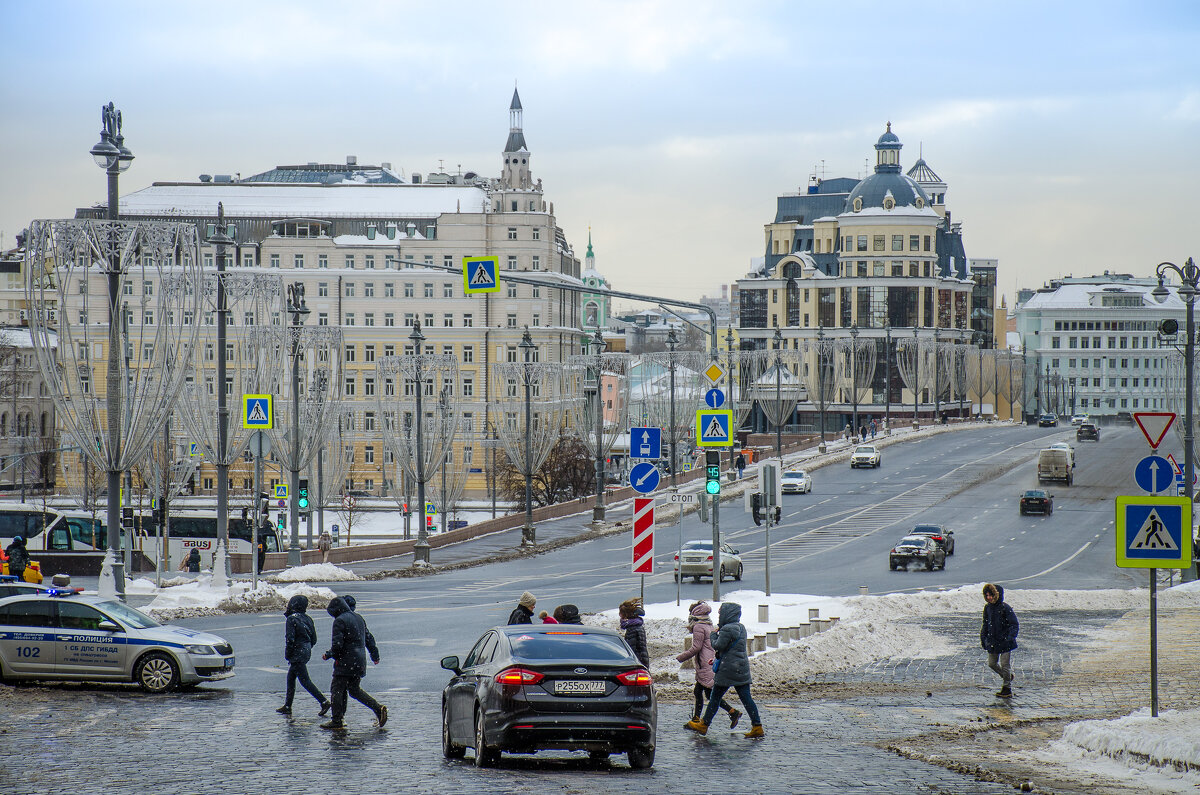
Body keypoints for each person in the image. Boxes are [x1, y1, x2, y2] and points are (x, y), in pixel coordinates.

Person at [686, 601, 764, 738]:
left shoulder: (727, 629)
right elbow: (731, 649)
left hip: (728, 670)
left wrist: (714, 635)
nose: (719, 615)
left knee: (715, 698)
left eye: (721, 613)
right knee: (747, 699)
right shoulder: (741, 627)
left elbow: (718, 645)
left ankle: (704, 725)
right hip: (741, 668)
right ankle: (757, 726)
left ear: (727, 614)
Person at [321, 595, 387, 729]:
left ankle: (337, 720)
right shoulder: (358, 618)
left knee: (337, 690)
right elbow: (369, 639)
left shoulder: (339, 621)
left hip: (345, 662)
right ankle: (378, 708)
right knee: (354, 690)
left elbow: (338, 645)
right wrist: (374, 654)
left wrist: (329, 655)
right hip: (359, 661)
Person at [676, 601, 740, 728]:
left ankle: (730, 712)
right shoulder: (708, 624)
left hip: (705, 664)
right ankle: (698, 718)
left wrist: (681, 657)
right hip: (709, 662)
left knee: (709, 694)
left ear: (695, 613)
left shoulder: (698, 626)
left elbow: (696, 647)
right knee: (702, 692)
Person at [277, 595, 330, 716]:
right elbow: (314, 639)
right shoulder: (308, 618)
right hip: (305, 651)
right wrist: (307, 647)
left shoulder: (291, 619)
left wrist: (288, 653)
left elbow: (290, 639)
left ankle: (324, 701)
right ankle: (287, 705)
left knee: (305, 680)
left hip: (297, 652)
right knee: (291, 678)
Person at [981, 583, 1019, 698]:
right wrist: (983, 638)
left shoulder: (1005, 608)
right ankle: (1007, 676)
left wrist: (1009, 637)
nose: (989, 598)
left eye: (990, 595)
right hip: (993, 641)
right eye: (986, 595)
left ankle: (1007, 688)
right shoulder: (987, 608)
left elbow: (1014, 624)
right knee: (992, 663)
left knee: (1005, 664)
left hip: (1005, 642)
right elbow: (985, 625)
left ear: (996, 595)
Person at [619, 598, 650, 668]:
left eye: (621, 614)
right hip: (641, 660)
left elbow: (631, 649)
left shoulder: (633, 629)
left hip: (637, 663)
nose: (620, 616)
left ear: (626, 615)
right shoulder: (636, 626)